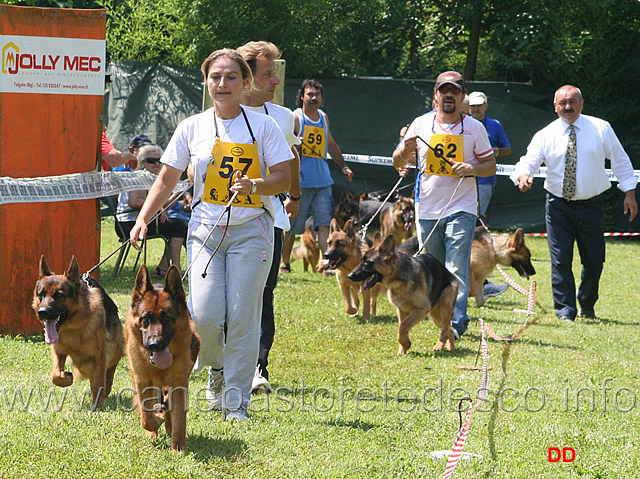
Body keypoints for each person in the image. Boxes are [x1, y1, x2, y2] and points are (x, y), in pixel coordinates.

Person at [129, 48, 292, 421]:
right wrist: (142, 219)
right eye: (215, 77)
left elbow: (284, 175)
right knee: (202, 318)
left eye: (231, 77)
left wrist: (256, 185)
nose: (223, 84)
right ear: (207, 82)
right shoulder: (192, 127)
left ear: (245, 82)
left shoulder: (264, 126)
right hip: (204, 231)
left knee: (242, 316)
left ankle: (237, 401)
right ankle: (216, 371)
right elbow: (167, 178)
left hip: (253, 231)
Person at [511, 84, 638, 322]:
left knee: (594, 260)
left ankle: (587, 306)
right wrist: (523, 176)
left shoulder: (601, 128)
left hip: (592, 206)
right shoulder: (545, 134)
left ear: (581, 104)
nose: (568, 107)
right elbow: (527, 161)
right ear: (555, 106)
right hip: (558, 206)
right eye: (563, 103)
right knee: (560, 260)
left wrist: (629, 192)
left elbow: (620, 161)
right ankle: (565, 311)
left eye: (573, 102)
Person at [392, 71, 496, 339]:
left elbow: (490, 166)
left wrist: (471, 167)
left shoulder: (474, 128)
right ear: (436, 94)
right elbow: (397, 161)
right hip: (427, 208)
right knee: (435, 266)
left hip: (461, 207)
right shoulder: (420, 124)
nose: (449, 95)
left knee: (457, 265)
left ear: (462, 95)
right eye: (444, 90)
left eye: (455, 90)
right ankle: (443, 320)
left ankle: (457, 324)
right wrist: (406, 150)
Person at [236, 40, 302, 394]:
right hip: (223, 217)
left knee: (263, 291)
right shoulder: (221, 111)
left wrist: (294, 196)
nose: (276, 80)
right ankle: (220, 358)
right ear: (247, 78)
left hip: (267, 216)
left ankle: (257, 366)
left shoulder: (283, 117)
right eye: (269, 73)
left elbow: (291, 160)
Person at [280, 79, 353, 273]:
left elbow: (331, 144)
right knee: (291, 226)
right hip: (300, 183)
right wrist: (295, 142)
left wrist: (344, 166)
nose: (313, 98)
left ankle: (326, 265)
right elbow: (283, 145)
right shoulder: (295, 117)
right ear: (302, 96)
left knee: (324, 225)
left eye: (317, 94)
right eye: (309, 94)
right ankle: (284, 263)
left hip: (323, 182)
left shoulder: (323, 117)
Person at [115, 144, 187, 277]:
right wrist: (158, 208)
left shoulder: (152, 178)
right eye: (151, 161)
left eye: (160, 161)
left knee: (180, 225)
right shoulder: (140, 176)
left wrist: (178, 193)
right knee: (179, 226)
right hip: (129, 223)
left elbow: (164, 205)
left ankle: (166, 267)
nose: (156, 164)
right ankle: (174, 268)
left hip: (142, 221)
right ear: (142, 163)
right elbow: (134, 201)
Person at [468, 90, 513, 300]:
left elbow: (507, 149)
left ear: (486, 106)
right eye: (472, 106)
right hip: (463, 181)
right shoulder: (461, 124)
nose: (475, 109)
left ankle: (479, 277)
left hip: (485, 181)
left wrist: (493, 151)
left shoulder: (494, 125)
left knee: (477, 221)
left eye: (479, 106)